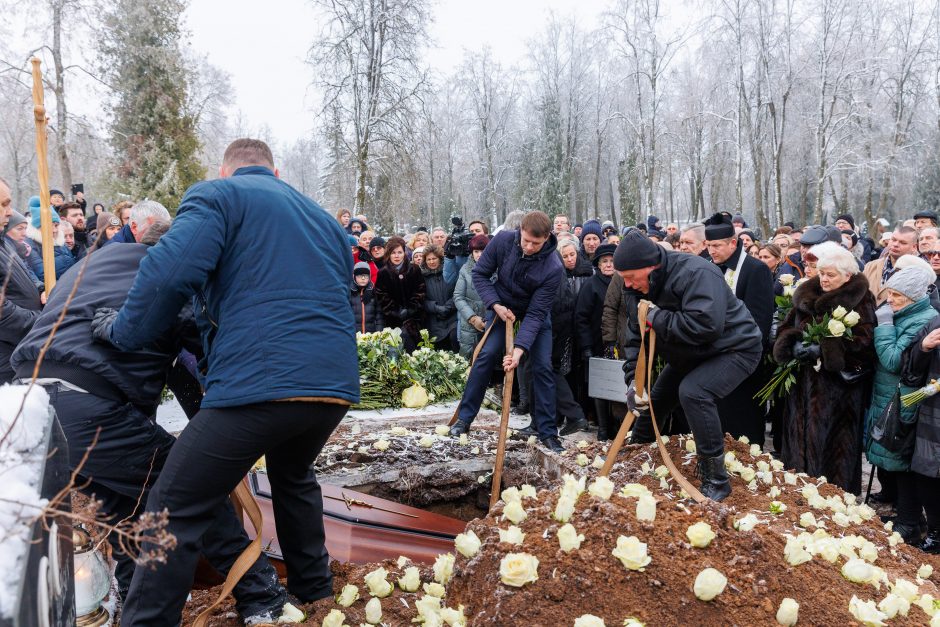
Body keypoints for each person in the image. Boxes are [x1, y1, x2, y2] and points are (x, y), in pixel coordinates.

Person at [93, 139, 358, 625]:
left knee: (172, 505)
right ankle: (315, 597)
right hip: (332, 385)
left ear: (225, 169)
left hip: (263, 381)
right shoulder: (324, 220)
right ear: (274, 172)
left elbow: (170, 272)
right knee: (293, 474)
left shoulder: (217, 196)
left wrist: (122, 331)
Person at [11, 221, 297, 622]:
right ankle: (262, 598)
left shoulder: (93, 262)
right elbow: (200, 360)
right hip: (87, 404)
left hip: (28, 402)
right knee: (194, 486)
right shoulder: (170, 282)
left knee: (127, 509)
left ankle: (133, 603)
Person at [615, 229, 763, 500]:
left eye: (630, 278)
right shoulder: (635, 287)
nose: (628, 285)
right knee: (654, 398)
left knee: (694, 392)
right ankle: (638, 449)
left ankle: (716, 480)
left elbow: (705, 326)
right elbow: (636, 337)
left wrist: (656, 318)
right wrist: (633, 383)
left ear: (650, 267)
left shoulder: (696, 273)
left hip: (735, 347)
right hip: (691, 353)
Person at [448, 211, 564, 452]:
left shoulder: (553, 266)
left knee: (542, 366)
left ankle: (547, 431)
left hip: (535, 313)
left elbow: (535, 314)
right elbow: (480, 274)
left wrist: (519, 350)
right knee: (486, 356)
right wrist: (495, 305)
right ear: (520, 231)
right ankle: (465, 418)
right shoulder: (502, 241)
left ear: (547, 238)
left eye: (536, 243)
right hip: (501, 306)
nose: (530, 247)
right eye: (526, 241)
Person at [772, 242, 876, 494]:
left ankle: (834, 497)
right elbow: (785, 327)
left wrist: (825, 348)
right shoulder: (805, 295)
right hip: (802, 384)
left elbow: (865, 341)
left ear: (847, 276)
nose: (824, 279)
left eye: (831, 275)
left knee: (834, 448)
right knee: (799, 440)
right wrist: (792, 344)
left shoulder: (860, 299)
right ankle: (799, 492)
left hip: (838, 390)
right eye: (821, 273)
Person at [864, 259, 937, 543]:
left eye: (896, 295)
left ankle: (910, 522)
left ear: (913, 296)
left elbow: (894, 360)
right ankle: (906, 516)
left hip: (901, 399)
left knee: (901, 462)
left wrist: (883, 327)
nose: (889, 299)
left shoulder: (921, 318)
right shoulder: (906, 313)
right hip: (888, 395)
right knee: (891, 458)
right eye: (890, 293)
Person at [703, 213, 774, 445]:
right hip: (713, 361)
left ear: (733, 243)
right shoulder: (708, 268)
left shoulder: (756, 270)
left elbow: (760, 322)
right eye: (708, 245)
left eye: (716, 245)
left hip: (744, 363)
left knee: (744, 427)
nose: (711, 251)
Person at [531, 237, 591, 437]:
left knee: (547, 369)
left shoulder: (548, 261)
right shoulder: (552, 261)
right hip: (556, 321)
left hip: (552, 323)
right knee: (543, 370)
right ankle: (540, 420)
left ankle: (573, 415)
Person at [901, 302, 940, 553]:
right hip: (932, 416)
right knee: (928, 475)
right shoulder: (935, 322)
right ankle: (936, 532)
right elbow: (910, 369)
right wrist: (923, 348)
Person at [0, 179, 42, 384]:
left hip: (18, 353)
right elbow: (2, 315)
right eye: (4, 204)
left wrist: (41, 290)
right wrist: (43, 320)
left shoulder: (4, 244)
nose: (9, 212)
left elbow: (23, 277)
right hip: (5, 363)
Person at [576, 243, 618, 440]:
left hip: (618, 344)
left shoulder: (623, 282)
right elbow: (581, 317)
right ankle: (602, 428)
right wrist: (586, 347)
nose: (609, 265)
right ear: (598, 265)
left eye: (612, 261)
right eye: (605, 261)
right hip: (595, 343)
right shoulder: (591, 285)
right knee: (600, 386)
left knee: (617, 384)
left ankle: (616, 426)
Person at [375, 236, 426, 352]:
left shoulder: (414, 269)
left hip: (414, 318)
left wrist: (411, 309)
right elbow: (381, 295)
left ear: (404, 253)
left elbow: (421, 291)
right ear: (389, 254)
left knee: (413, 348)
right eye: (393, 253)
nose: (397, 256)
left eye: (399, 252)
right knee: (396, 349)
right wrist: (396, 311)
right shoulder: (383, 273)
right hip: (393, 320)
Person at [454, 234, 489, 358]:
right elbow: (458, 296)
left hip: (492, 322)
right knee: (468, 362)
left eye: (483, 251)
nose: (479, 254)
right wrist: (473, 318)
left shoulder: (497, 268)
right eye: (476, 251)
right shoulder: (465, 269)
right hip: (469, 325)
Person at [25, 197, 75, 281]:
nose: (55, 230)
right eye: (49, 226)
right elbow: (43, 275)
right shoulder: (30, 246)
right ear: (37, 227)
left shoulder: (60, 242)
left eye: (56, 225)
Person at [863, 226, 919, 303]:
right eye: (893, 240)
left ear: (914, 247)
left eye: (903, 242)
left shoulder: (919, 272)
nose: (895, 244)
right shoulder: (870, 266)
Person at [421, 244, 457, 350]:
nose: (432, 262)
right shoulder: (421, 277)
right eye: (429, 259)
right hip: (433, 319)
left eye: (434, 258)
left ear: (440, 258)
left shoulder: (449, 273)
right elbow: (421, 299)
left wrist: (448, 306)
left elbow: (458, 292)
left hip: (452, 316)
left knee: (454, 338)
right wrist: (436, 308)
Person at [350, 261, 384, 334]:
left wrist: (378, 333)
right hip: (353, 335)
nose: (363, 278)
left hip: (371, 336)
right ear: (354, 277)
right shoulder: (349, 292)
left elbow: (379, 316)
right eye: (359, 276)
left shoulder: (374, 292)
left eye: (366, 276)